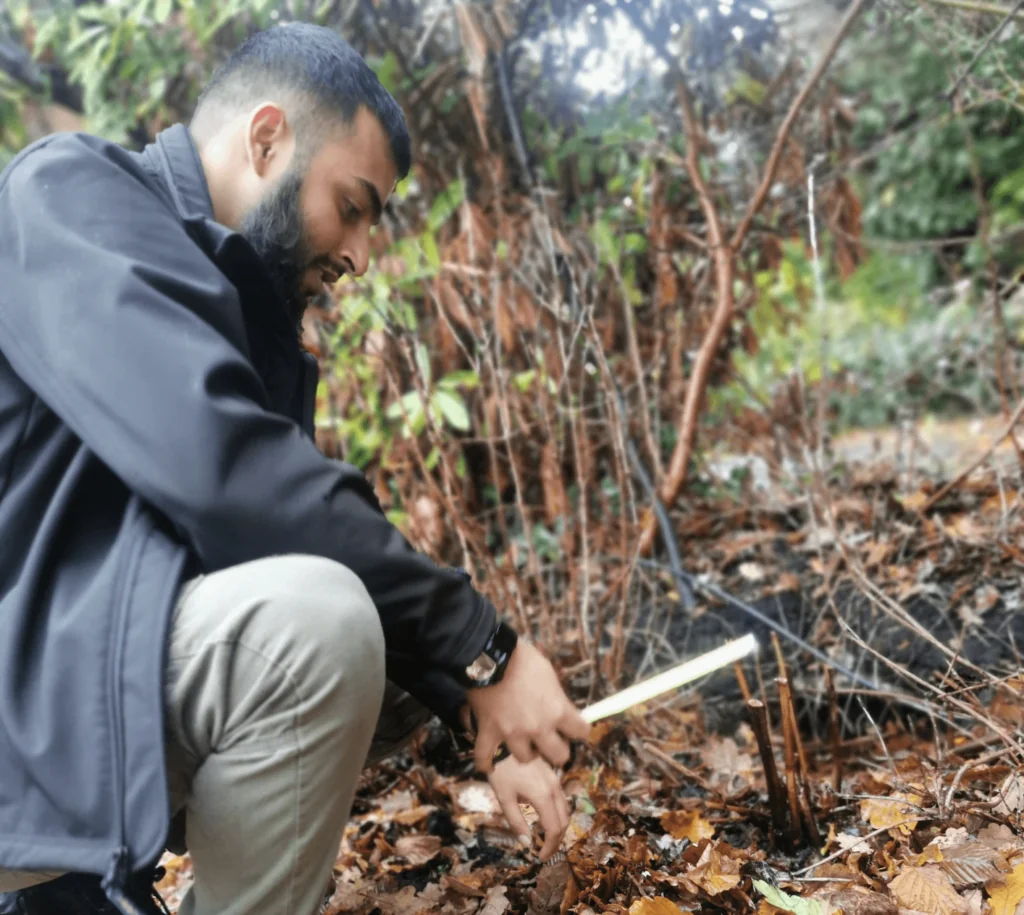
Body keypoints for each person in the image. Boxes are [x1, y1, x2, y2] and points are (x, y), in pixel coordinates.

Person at [0, 22, 591, 915]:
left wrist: (478, 711)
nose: (359, 255)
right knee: (321, 621)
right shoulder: (65, 193)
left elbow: (242, 535)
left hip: (72, 708)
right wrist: (488, 647)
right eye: (352, 206)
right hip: (26, 707)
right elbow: (226, 476)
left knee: (374, 654)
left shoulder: (251, 327)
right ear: (267, 137)